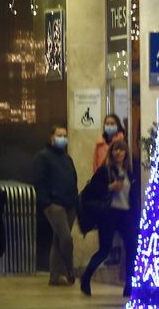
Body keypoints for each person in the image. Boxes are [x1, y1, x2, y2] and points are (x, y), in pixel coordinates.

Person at [79, 138, 140, 298]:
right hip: (109, 213)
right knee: (104, 250)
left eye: (121, 149)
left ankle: (129, 285)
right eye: (115, 150)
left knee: (131, 248)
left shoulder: (129, 172)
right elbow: (91, 192)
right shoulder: (104, 171)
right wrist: (110, 187)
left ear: (126, 152)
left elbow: (134, 196)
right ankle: (86, 277)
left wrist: (136, 216)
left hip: (126, 214)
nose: (118, 152)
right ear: (111, 153)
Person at [32, 125, 80, 287]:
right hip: (54, 204)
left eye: (65, 135)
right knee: (66, 238)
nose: (63, 138)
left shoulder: (67, 159)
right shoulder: (43, 157)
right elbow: (39, 180)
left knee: (58, 239)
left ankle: (55, 275)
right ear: (51, 138)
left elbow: (73, 179)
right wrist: (46, 201)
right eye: (60, 135)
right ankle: (69, 269)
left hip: (69, 204)